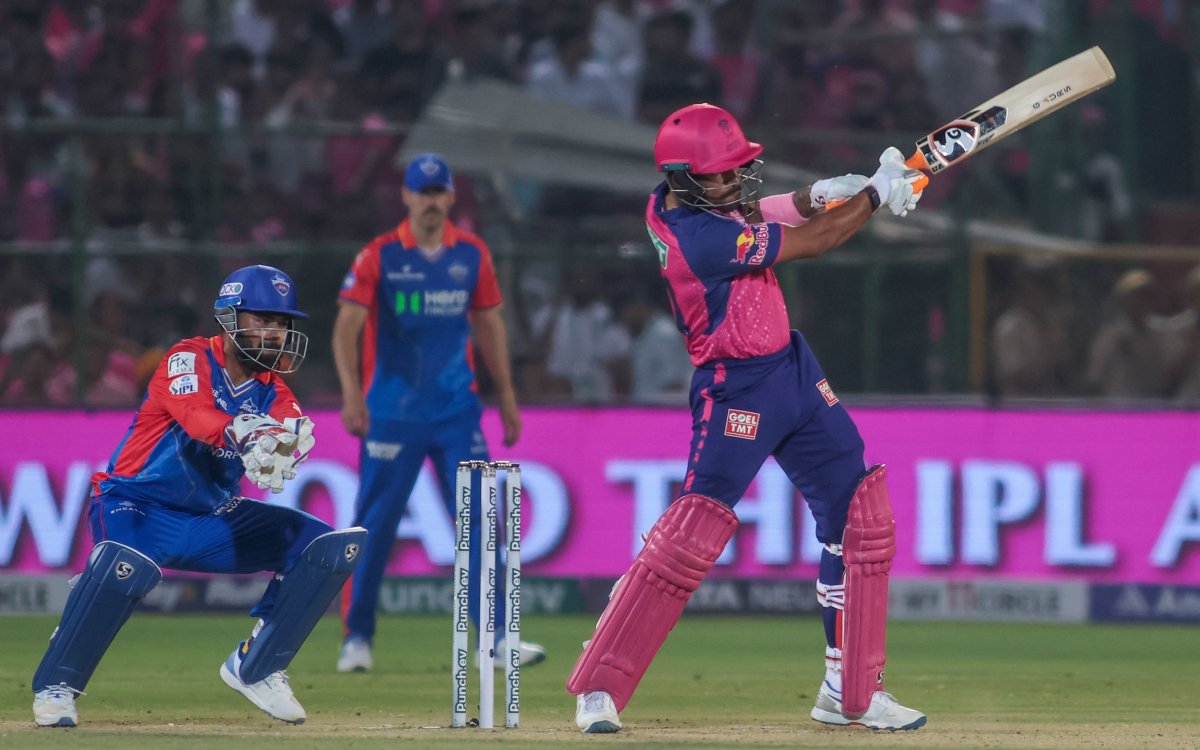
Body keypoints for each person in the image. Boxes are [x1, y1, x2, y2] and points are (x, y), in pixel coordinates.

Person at [566, 103, 928, 733]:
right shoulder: (698, 238)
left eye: (738, 168)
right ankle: (598, 686)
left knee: (858, 518)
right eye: (722, 173)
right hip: (735, 389)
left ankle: (850, 689)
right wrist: (874, 194)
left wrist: (817, 195)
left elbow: (759, 214)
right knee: (690, 535)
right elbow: (815, 242)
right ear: (683, 177)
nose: (734, 180)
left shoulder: (693, 202)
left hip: (792, 371)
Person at [31, 265, 366, 728]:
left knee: (325, 547)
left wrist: (287, 446)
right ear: (229, 318)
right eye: (262, 320)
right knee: (123, 564)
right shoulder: (186, 358)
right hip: (135, 503)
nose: (275, 333)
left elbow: (288, 434)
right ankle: (57, 686)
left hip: (212, 518)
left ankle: (258, 666)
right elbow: (194, 416)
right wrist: (243, 431)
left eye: (281, 322)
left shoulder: (277, 394)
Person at [332, 152, 543, 673]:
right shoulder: (379, 255)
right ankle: (357, 637)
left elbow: (489, 326)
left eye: (438, 192)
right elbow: (345, 329)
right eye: (421, 192)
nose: (430, 201)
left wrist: (507, 396)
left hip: (455, 413)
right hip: (391, 412)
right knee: (374, 525)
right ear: (406, 196)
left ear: (450, 196)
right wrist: (352, 395)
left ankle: (496, 637)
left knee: (480, 522)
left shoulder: (472, 254)